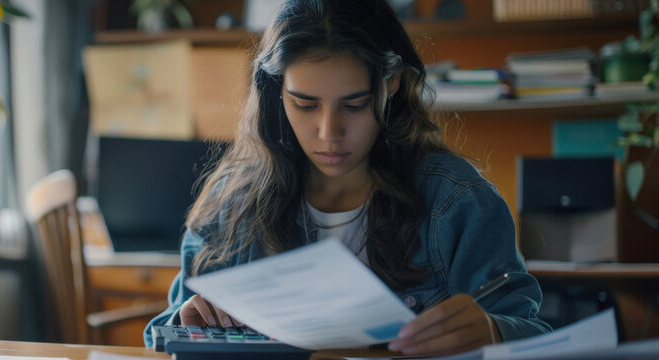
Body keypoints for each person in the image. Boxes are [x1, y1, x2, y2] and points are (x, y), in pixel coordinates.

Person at [143, 0, 551, 355]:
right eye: (305, 104)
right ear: (277, 91)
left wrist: (495, 331)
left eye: (354, 105)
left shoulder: (459, 203)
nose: (329, 133)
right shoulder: (232, 203)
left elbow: (538, 336)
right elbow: (160, 334)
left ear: (390, 84)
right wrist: (185, 324)